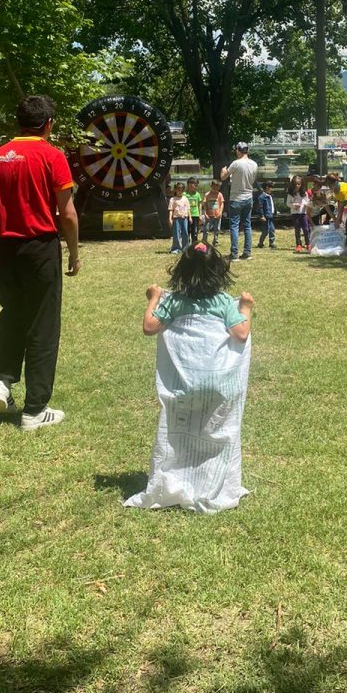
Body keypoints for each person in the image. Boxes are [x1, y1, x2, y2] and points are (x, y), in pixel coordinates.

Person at [0, 94, 81, 432]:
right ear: (48, 124)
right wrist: (74, 253)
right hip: (39, 249)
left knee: (12, 316)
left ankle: (3, 381)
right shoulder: (53, 156)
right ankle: (35, 409)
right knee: (42, 325)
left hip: (3, 251)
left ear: (18, 122)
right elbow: (67, 214)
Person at [126, 243, 254, 513]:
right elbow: (241, 334)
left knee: (181, 430)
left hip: (183, 384)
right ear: (219, 273)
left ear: (180, 273)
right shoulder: (223, 302)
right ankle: (212, 478)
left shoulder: (174, 302)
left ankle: (178, 474)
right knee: (213, 430)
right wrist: (245, 307)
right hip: (217, 385)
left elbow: (149, 327)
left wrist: (154, 298)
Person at [220, 141, 258, 262]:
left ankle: (234, 254)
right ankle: (247, 252)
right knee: (247, 225)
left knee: (234, 226)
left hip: (236, 198)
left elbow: (223, 177)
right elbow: (253, 180)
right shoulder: (254, 164)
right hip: (248, 197)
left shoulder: (236, 163)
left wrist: (223, 170)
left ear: (238, 150)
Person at [286, 174, 312, 253]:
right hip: (295, 213)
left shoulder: (304, 193)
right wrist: (293, 205)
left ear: (301, 184)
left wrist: (304, 204)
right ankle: (298, 244)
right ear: (293, 185)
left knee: (306, 229)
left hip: (303, 213)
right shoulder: (290, 194)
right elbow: (288, 203)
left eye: (298, 184)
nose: (297, 186)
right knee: (297, 229)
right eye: (295, 184)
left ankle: (308, 244)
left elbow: (307, 201)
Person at [168, 182, 191, 254]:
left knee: (185, 233)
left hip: (185, 218)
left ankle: (185, 248)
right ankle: (176, 248)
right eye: (179, 190)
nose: (180, 191)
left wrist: (190, 217)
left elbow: (188, 209)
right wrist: (170, 219)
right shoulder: (173, 199)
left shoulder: (185, 198)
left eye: (182, 190)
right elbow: (171, 210)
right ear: (176, 190)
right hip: (176, 218)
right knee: (176, 233)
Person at [201, 180, 223, 247]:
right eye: (214, 188)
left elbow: (222, 204)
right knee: (206, 229)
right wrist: (205, 213)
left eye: (218, 188)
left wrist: (220, 212)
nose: (216, 190)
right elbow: (204, 204)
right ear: (211, 186)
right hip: (209, 215)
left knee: (217, 229)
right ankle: (204, 241)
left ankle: (215, 242)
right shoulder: (207, 194)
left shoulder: (220, 194)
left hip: (217, 215)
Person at [256, 183, 276, 249]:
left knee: (272, 229)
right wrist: (262, 215)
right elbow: (260, 207)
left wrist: (275, 211)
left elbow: (272, 205)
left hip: (271, 215)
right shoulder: (262, 197)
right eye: (271, 188)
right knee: (265, 230)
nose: (272, 189)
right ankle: (261, 242)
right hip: (266, 216)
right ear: (267, 187)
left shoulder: (270, 196)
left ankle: (271, 242)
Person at [185, 177, 202, 244]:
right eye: (195, 185)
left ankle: (194, 243)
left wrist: (200, 214)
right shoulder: (184, 194)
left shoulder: (197, 194)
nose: (196, 187)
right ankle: (186, 243)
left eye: (197, 185)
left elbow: (199, 204)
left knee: (194, 231)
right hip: (186, 215)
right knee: (187, 230)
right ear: (189, 185)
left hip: (195, 215)